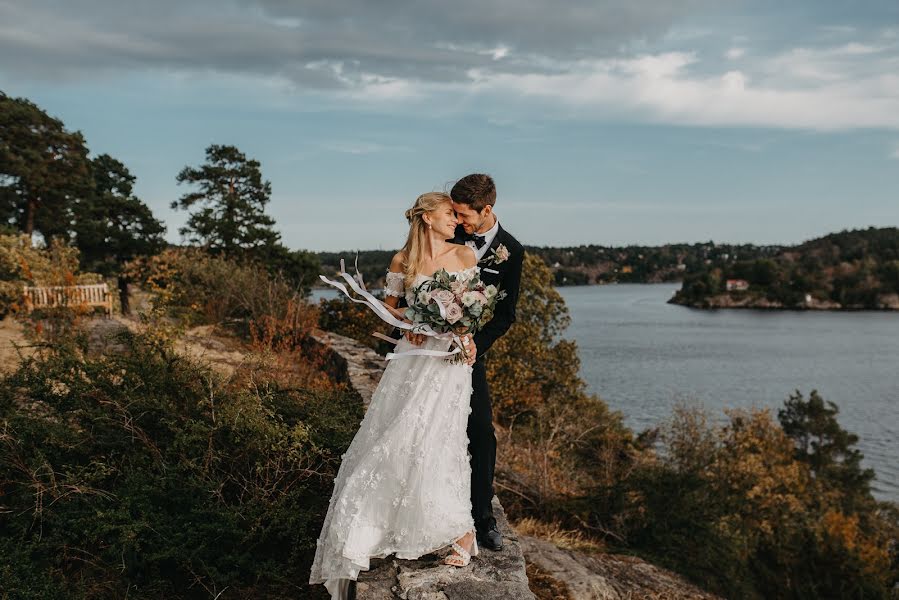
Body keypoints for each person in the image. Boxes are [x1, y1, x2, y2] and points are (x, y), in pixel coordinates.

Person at [309, 192, 482, 600]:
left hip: (451, 361)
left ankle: (462, 530)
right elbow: (390, 307)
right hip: (414, 358)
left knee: (443, 439)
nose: (456, 221)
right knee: (399, 436)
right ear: (427, 219)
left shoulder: (465, 257)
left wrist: (466, 336)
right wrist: (412, 322)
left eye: (457, 216)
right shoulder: (402, 261)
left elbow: (472, 308)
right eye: (448, 215)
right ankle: (386, 523)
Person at [449, 174, 524, 552]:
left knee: (481, 432)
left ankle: (482, 518)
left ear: (487, 209)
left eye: (464, 215)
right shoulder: (446, 234)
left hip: (470, 353)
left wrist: (475, 345)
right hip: (430, 347)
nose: (459, 220)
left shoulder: (512, 250)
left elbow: (506, 314)